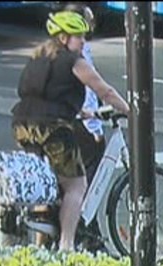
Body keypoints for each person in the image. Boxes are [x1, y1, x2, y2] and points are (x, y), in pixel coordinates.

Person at [11, 11, 130, 251]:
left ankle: (42, 236)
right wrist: (131, 110)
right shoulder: (74, 61)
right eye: (79, 36)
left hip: (22, 124)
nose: (83, 41)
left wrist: (83, 112)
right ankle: (67, 245)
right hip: (51, 128)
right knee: (76, 186)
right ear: (64, 38)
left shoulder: (37, 57)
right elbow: (104, 91)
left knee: (47, 180)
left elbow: (44, 94)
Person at [63, 2, 106, 186]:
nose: (93, 25)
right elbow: (88, 92)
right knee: (93, 158)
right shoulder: (80, 52)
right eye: (89, 20)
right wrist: (95, 129)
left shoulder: (58, 46)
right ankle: (83, 203)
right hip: (77, 120)